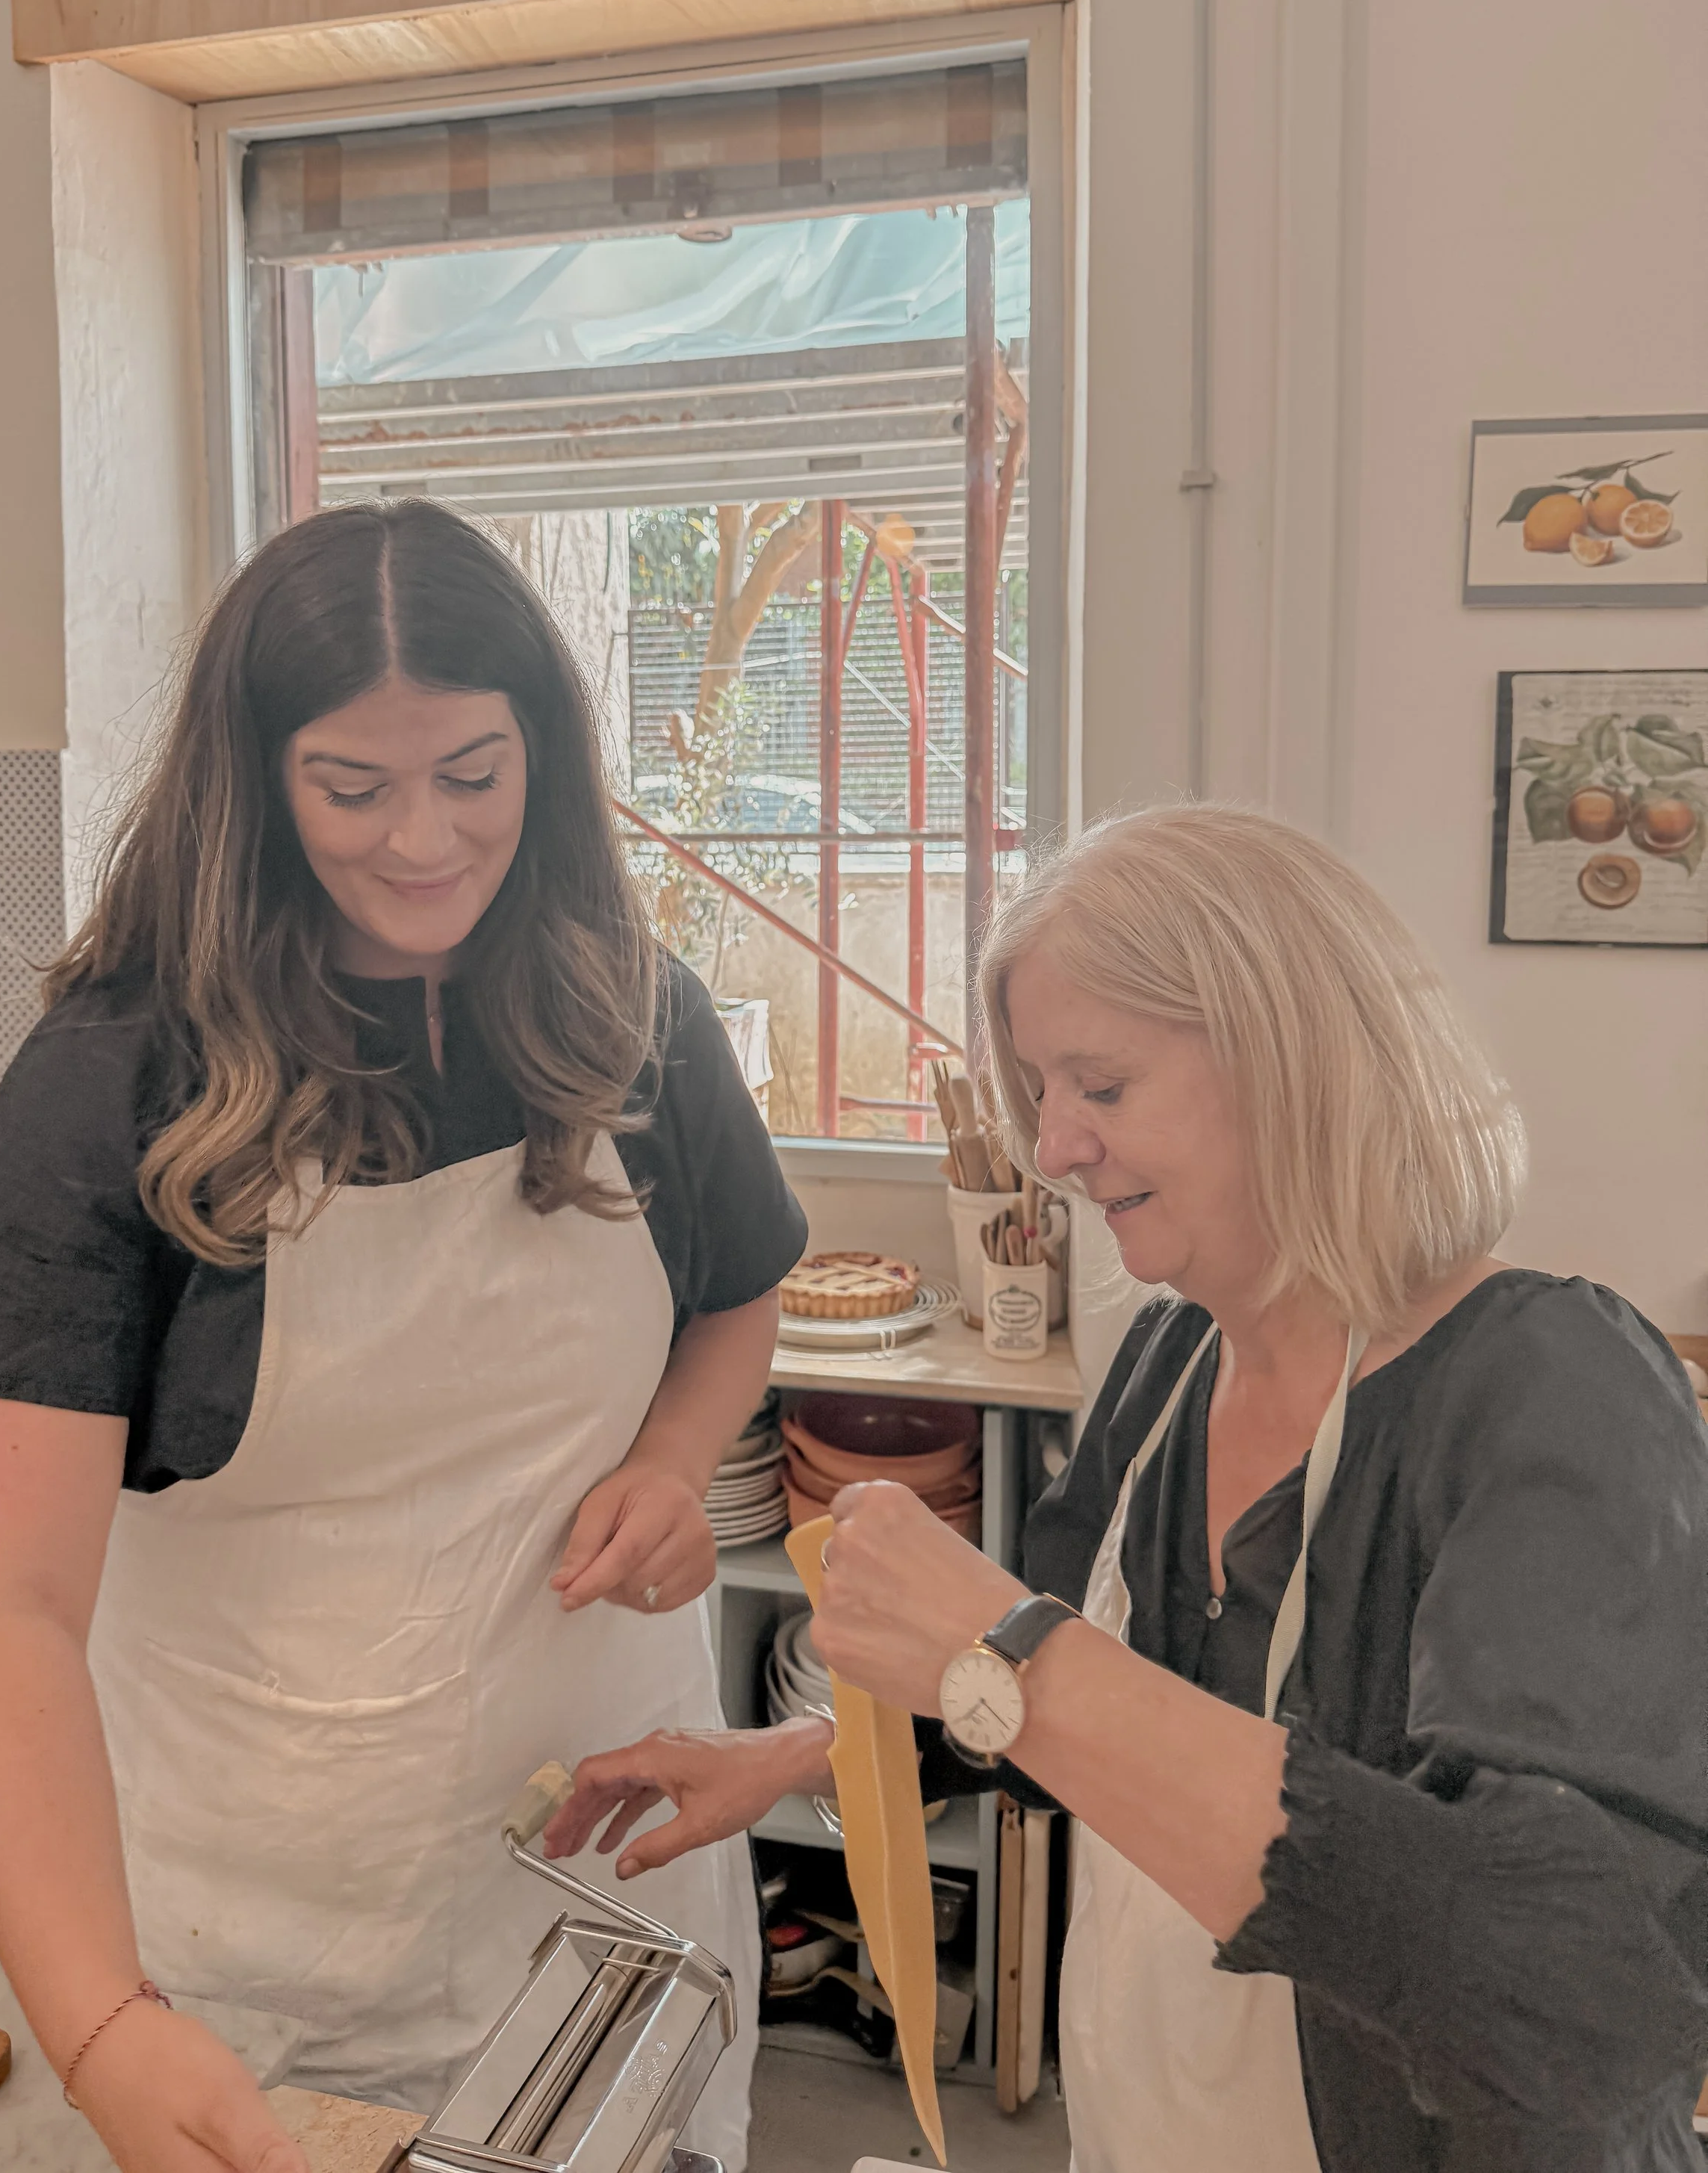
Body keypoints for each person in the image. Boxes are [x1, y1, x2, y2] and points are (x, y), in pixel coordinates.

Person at [548, 806, 1708, 2173]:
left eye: (1101, 1087)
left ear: (1304, 1067)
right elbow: (1091, 1706)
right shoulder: (1172, 1359)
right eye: (1043, 1091)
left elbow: (1575, 2001)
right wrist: (811, 1753)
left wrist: (1009, 1657)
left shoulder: (1546, 1385)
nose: (1054, 1151)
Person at [0, 500, 806, 2173]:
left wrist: (679, 1461)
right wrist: (99, 2019)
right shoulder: (119, 1079)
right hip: (221, 1932)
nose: (423, 840)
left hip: (590, 1877)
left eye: (472, 772)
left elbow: (735, 1297)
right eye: (353, 786)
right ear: (252, 783)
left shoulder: (633, 1010)